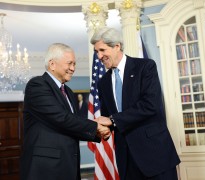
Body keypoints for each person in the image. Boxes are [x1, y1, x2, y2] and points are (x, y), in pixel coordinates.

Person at [91, 27, 181, 180]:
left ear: (117, 46)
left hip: (155, 153)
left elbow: (150, 104)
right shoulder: (103, 82)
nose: (99, 56)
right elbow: (108, 115)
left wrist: (112, 120)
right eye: (96, 52)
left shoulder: (145, 67)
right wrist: (103, 128)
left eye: (102, 50)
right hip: (126, 156)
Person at [20, 43, 111, 180]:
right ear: (52, 64)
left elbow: (71, 125)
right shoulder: (37, 85)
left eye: (74, 64)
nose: (73, 68)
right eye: (69, 63)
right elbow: (60, 118)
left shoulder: (68, 91)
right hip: (45, 168)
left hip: (68, 165)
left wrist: (97, 134)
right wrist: (96, 127)